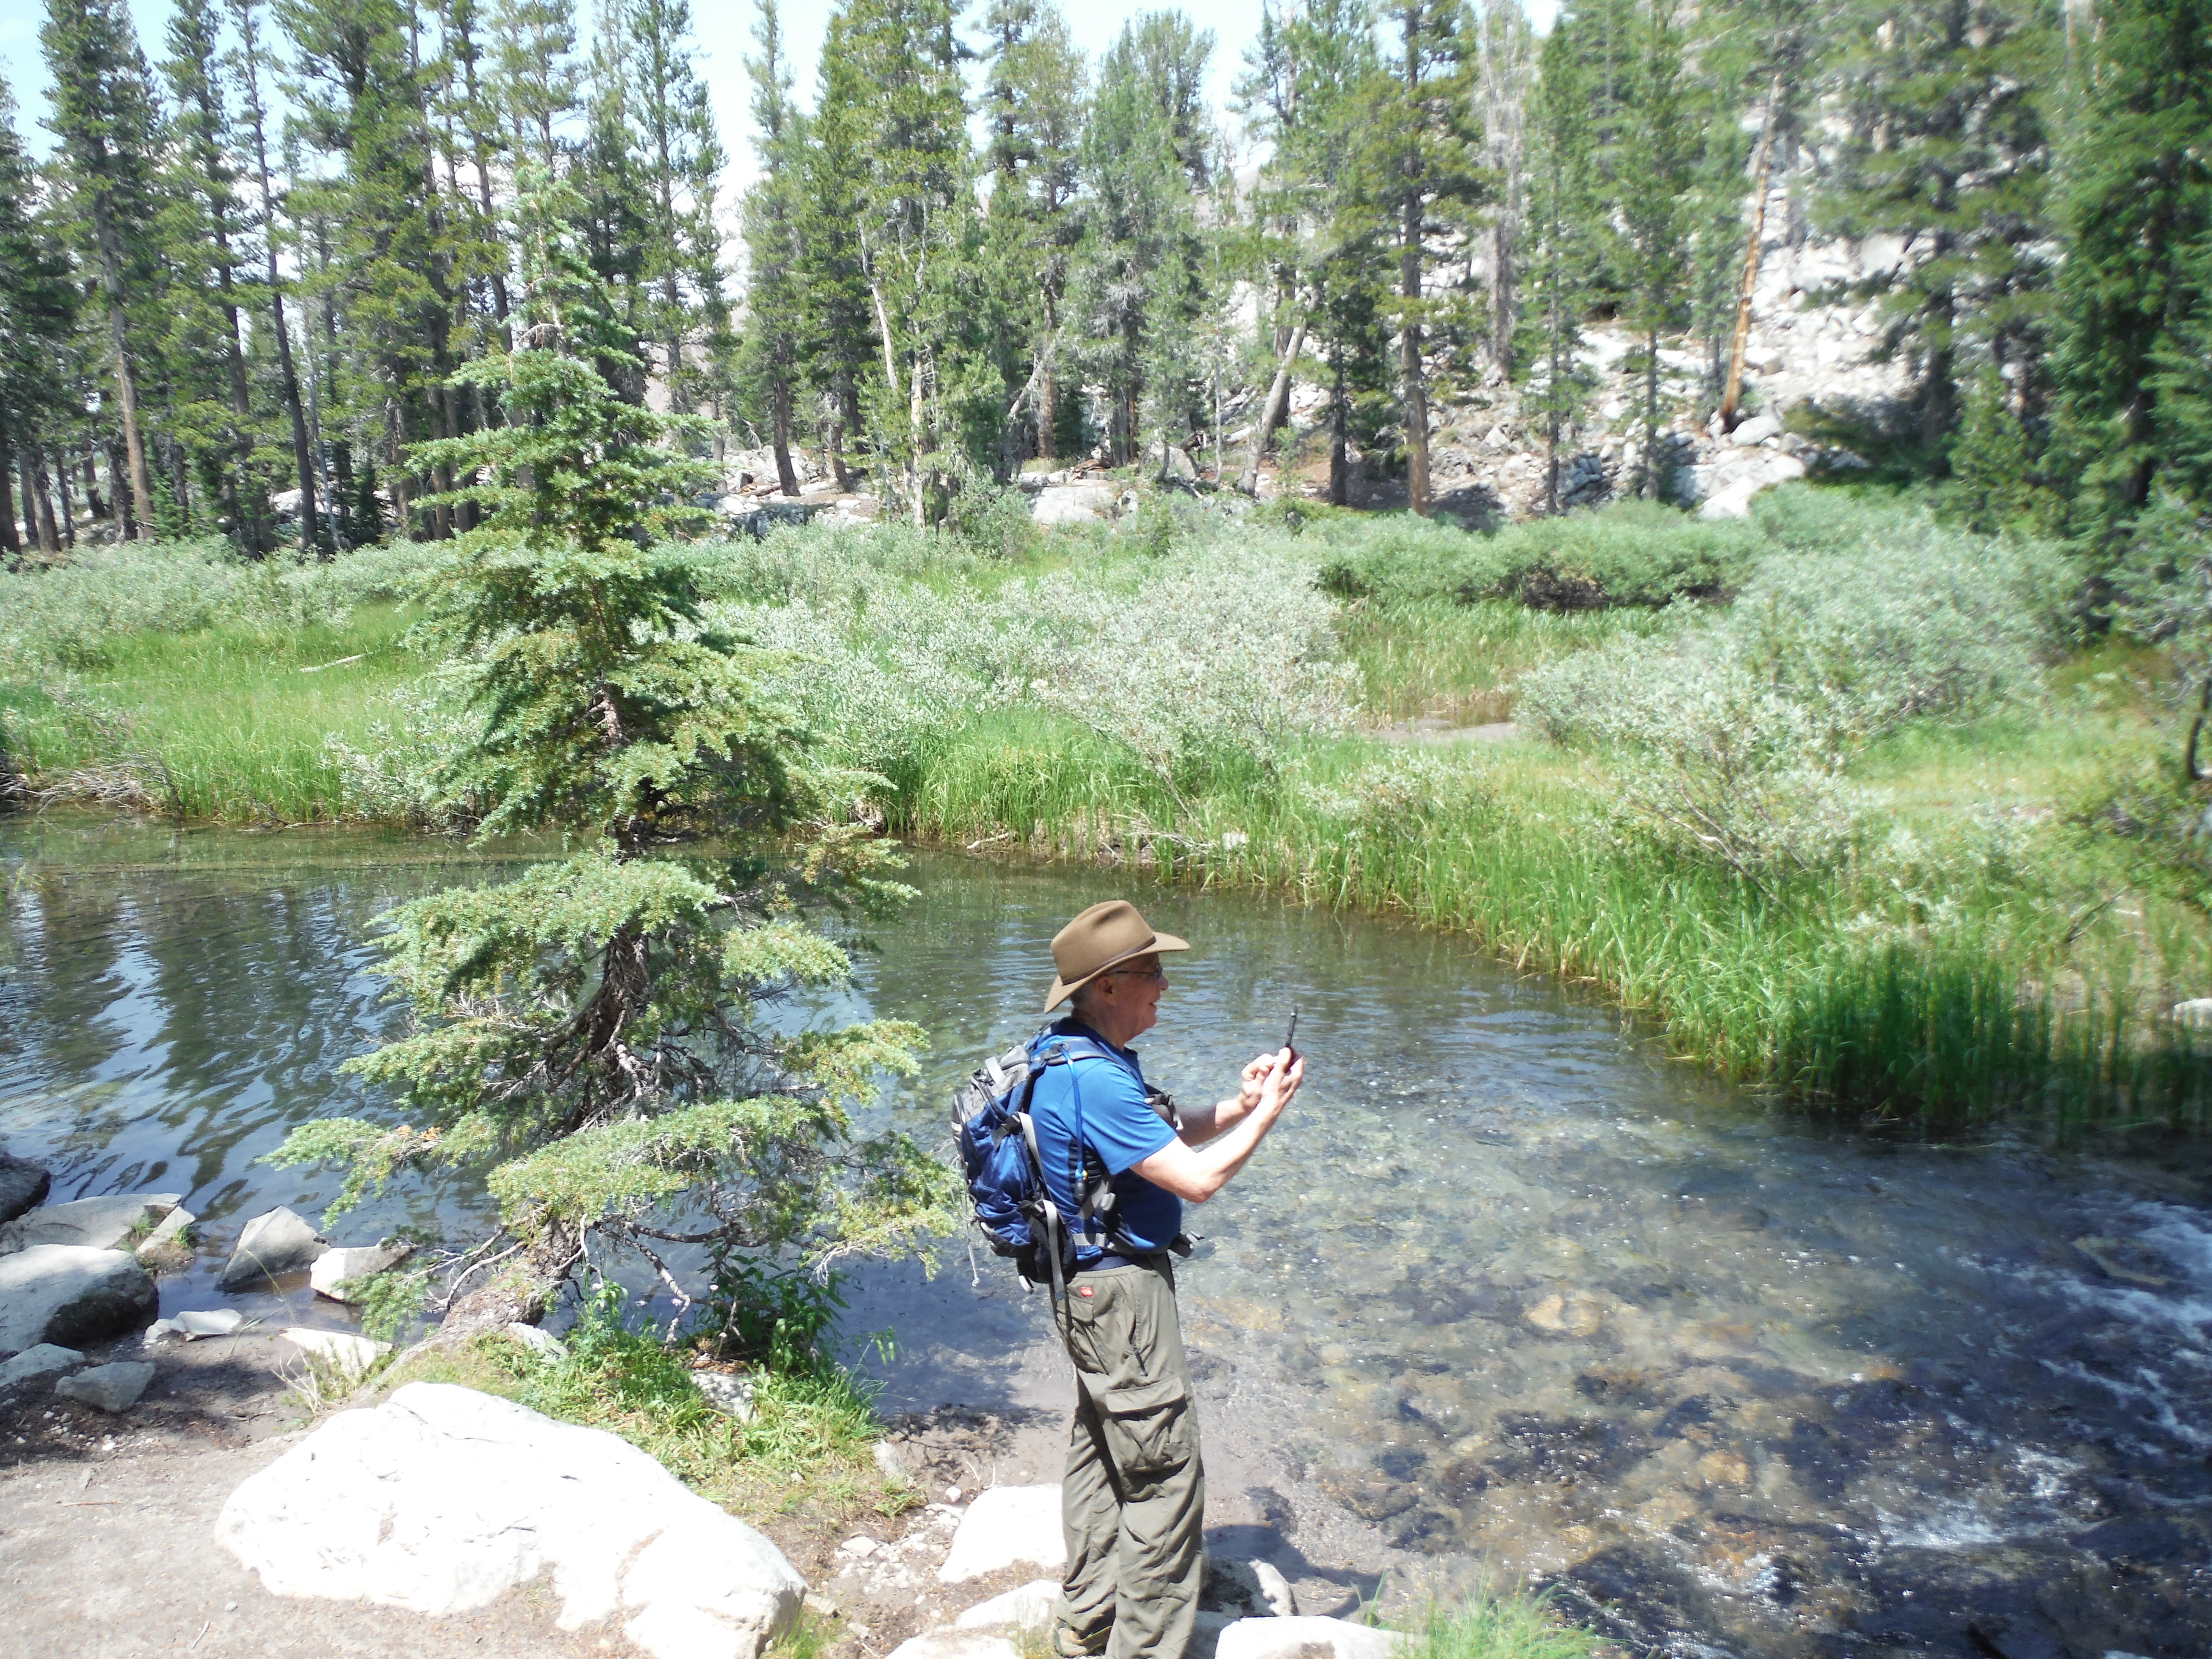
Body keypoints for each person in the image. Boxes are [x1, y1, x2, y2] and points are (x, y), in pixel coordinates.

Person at [1027, 899, 1304, 1659]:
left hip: (1089, 1289)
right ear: (1108, 985)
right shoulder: (1096, 1079)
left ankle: (1088, 1621)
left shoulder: (1073, 1054)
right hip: (1121, 1298)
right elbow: (1198, 1180)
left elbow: (1161, 1136)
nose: (1165, 986)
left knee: (1102, 1451)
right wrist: (1270, 1115)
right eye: (1152, 971)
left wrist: (1240, 1104)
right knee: (1163, 1473)